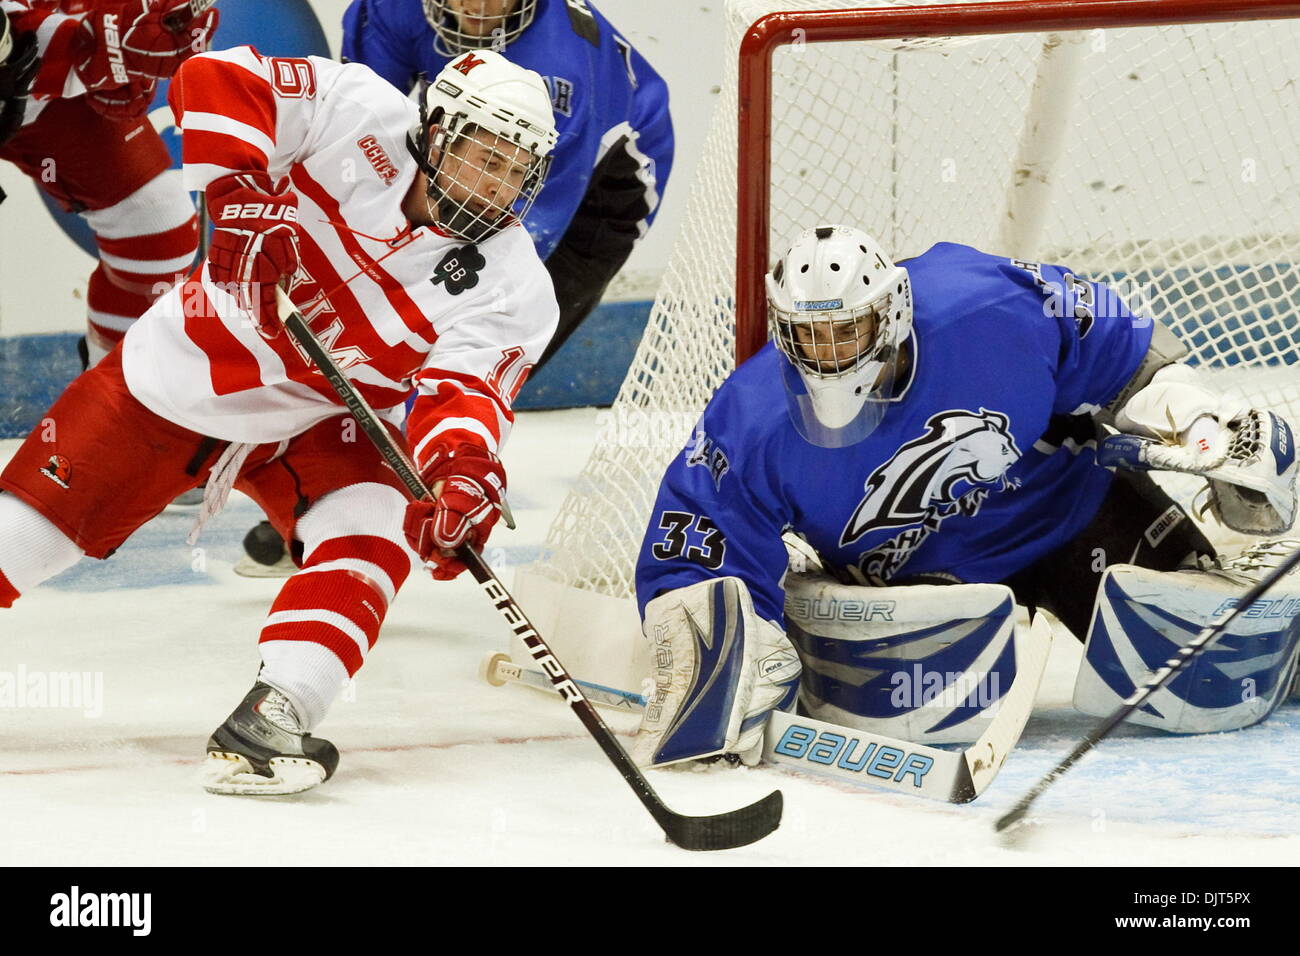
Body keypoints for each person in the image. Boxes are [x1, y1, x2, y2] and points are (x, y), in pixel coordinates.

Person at [0, 46, 560, 795]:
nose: (495, 187)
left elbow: (464, 396)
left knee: (384, 517)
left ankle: (275, 712)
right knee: (22, 543)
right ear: (435, 133)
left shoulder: (515, 286)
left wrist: (461, 477)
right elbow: (212, 78)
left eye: (515, 171)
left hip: (317, 412)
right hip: (179, 374)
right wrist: (235, 199)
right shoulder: (356, 110)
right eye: (482, 157)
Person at [630, 224, 1300, 768]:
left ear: (891, 310)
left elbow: (1123, 358)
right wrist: (712, 638)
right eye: (809, 335)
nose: (829, 354)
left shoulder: (985, 305)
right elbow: (698, 538)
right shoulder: (752, 414)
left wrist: (1204, 424)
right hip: (911, 591)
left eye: (847, 332)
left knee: (1207, 677)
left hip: (1068, 512)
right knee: (923, 724)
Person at [341, 0, 673, 368]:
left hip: (602, 183)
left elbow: (515, 240)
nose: (478, 6)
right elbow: (357, 124)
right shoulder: (392, 7)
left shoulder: (561, 72)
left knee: (503, 321)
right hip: (468, 144)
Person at [0, 0, 217, 366]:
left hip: (24, 65)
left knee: (153, 225)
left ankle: (109, 389)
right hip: (22, 53)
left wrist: (123, 20)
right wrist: (94, 48)